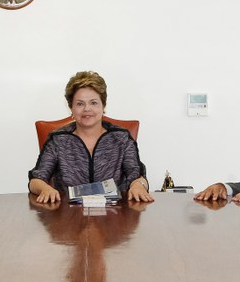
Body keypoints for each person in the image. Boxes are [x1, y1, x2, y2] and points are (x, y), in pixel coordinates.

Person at [28, 71, 153, 203]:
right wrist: (45, 189)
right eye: (80, 104)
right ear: (71, 107)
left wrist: (138, 185)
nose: (87, 109)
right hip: (69, 217)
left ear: (103, 105)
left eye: (93, 103)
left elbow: (138, 177)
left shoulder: (121, 138)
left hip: (114, 217)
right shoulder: (58, 139)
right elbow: (36, 180)